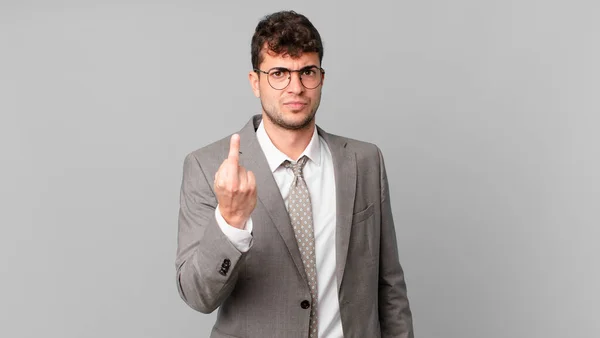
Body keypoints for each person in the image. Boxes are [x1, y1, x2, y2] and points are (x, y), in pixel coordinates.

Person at [175, 10, 414, 338]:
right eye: (279, 73)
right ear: (255, 82)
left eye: (307, 72)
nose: (296, 87)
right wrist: (230, 222)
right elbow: (198, 295)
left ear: (322, 78)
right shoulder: (207, 167)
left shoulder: (364, 161)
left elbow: (390, 287)